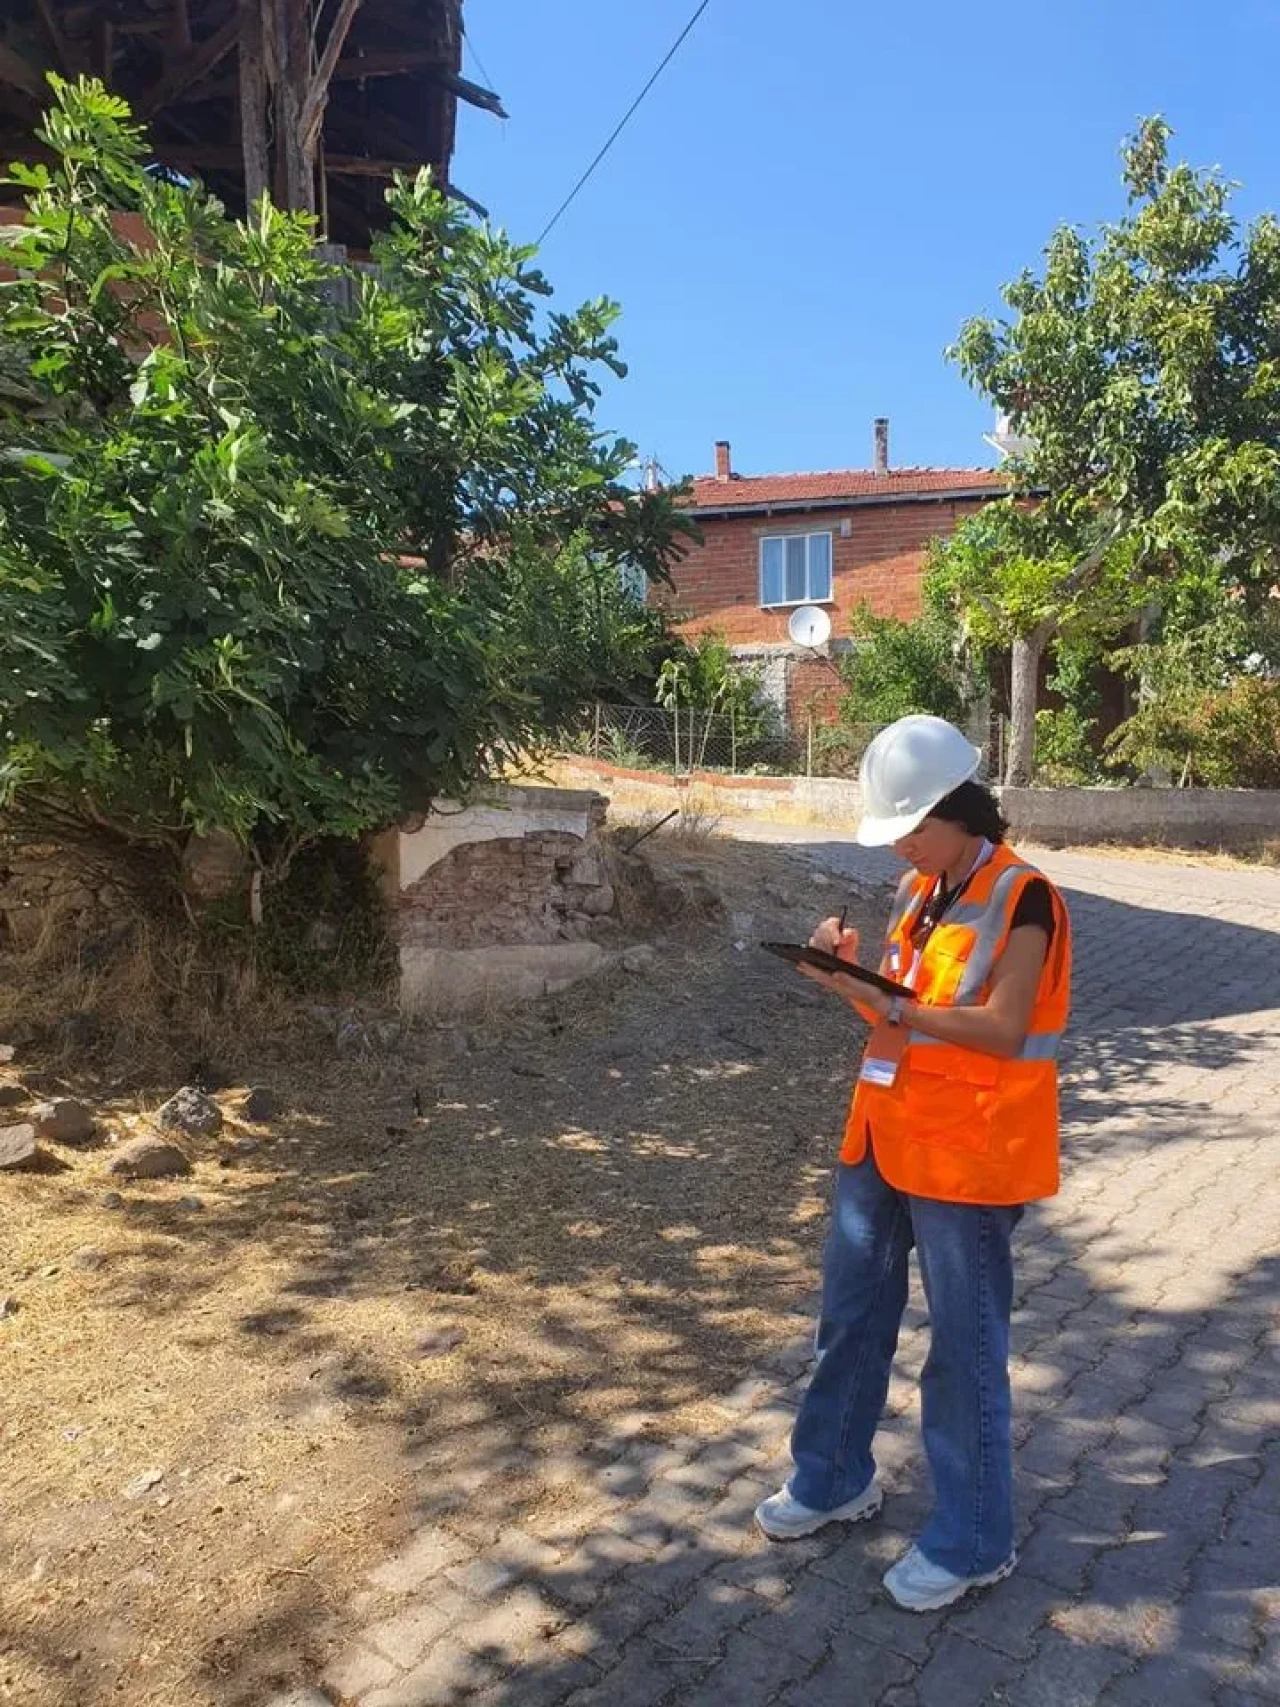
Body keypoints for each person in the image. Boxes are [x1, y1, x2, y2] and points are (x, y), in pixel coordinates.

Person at [754, 714, 1072, 1613]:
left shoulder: (1026, 897)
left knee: (964, 1349)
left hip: (968, 1155)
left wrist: (886, 1005)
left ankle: (973, 1539)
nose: (898, 843)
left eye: (910, 826)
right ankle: (831, 1477)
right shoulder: (916, 888)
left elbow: (1002, 1027)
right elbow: (898, 1015)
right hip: (886, 1136)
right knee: (850, 1315)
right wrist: (850, 981)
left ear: (957, 810)